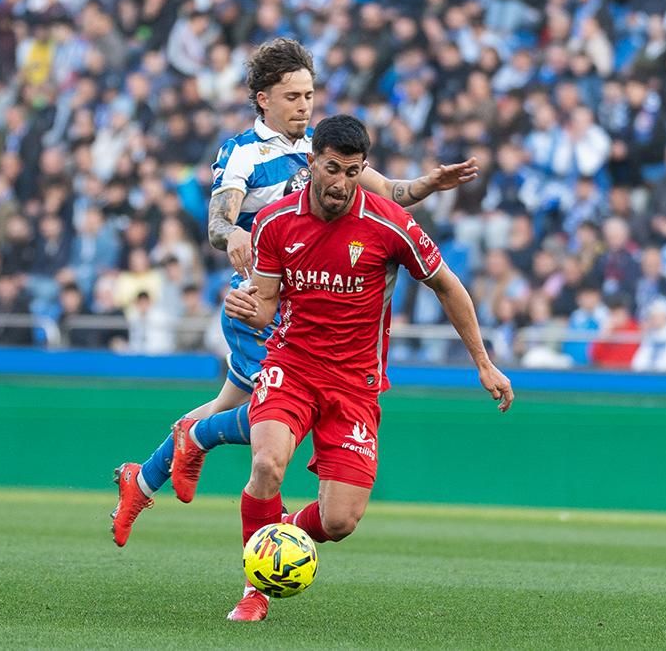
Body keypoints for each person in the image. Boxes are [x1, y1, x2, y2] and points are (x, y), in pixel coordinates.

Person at [111, 39, 480, 546]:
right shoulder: (243, 152)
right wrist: (232, 234)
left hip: (303, 304)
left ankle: (142, 480)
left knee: (229, 407)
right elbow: (218, 221)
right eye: (292, 96)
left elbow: (389, 191)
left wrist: (428, 183)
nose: (304, 105)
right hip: (260, 304)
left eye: (309, 95)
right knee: (271, 418)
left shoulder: (319, 151)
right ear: (263, 99)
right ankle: (208, 462)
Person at [221, 115, 513, 621]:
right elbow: (266, 307)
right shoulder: (273, 222)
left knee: (339, 521)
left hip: (356, 384)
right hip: (292, 366)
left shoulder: (389, 224)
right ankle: (255, 590)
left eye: (353, 172)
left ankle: (279, 531)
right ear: (312, 161)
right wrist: (247, 308)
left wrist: (484, 364)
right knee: (267, 464)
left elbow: (447, 285)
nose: (341, 183)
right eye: (332, 169)